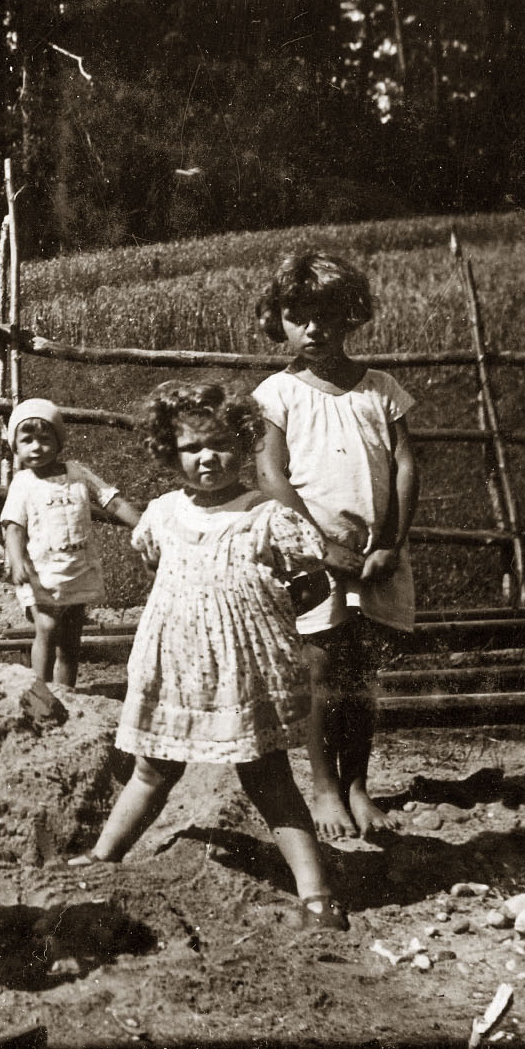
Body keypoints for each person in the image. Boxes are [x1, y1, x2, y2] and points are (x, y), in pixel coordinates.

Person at [71, 381, 348, 932]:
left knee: (267, 775)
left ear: (243, 444)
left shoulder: (266, 516)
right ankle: (104, 856)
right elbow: (161, 569)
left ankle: (315, 893)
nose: (207, 458)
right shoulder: (162, 515)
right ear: (169, 453)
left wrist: (256, 618)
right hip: (176, 669)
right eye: (192, 447)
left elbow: (314, 585)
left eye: (220, 444)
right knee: (153, 767)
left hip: (244, 673)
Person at [252, 253, 417, 841]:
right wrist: (319, 545)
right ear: (279, 322)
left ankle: (357, 784)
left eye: (325, 315)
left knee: (361, 669)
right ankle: (324, 786)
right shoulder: (278, 393)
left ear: (351, 316)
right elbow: (270, 474)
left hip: (373, 556)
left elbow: (404, 467)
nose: (313, 329)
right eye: (298, 317)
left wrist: (390, 542)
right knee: (322, 666)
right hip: (314, 558)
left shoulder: (380, 389)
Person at [0, 398, 141, 685]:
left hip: (77, 570)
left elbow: (111, 500)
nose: (36, 447)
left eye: (45, 439)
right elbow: (13, 527)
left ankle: (67, 692)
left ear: (59, 441)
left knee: (70, 639)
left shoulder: (77, 473)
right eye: (27, 441)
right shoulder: (23, 483)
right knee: (47, 627)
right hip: (41, 573)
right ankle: (41, 689)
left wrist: (143, 524)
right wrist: (16, 560)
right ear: (16, 447)